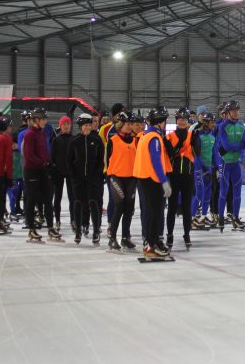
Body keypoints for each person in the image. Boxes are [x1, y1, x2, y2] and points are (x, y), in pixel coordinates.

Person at [132, 106, 172, 259]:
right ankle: (151, 246)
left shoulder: (146, 135)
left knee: (151, 213)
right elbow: (156, 161)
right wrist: (164, 182)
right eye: (165, 121)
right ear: (160, 122)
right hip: (151, 180)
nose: (166, 124)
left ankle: (152, 243)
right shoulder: (154, 138)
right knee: (154, 213)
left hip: (144, 178)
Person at [22, 108, 56, 243]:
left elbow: (44, 151)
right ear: (36, 120)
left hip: (42, 169)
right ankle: (31, 229)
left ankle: (51, 227)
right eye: (43, 119)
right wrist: (43, 162)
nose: (45, 122)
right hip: (31, 170)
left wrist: (49, 161)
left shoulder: (41, 133)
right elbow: (29, 155)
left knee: (48, 199)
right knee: (32, 199)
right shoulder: (29, 134)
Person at [106, 112, 138, 252]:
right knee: (119, 206)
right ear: (120, 125)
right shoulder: (113, 140)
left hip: (131, 178)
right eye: (127, 124)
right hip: (116, 177)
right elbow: (107, 160)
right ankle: (112, 238)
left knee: (129, 209)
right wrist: (109, 175)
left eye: (131, 124)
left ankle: (125, 237)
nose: (130, 126)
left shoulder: (135, 141)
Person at [69, 114, 103, 245]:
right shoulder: (74, 141)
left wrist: (97, 175)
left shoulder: (97, 140)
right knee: (78, 203)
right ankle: (78, 231)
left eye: (89, 125)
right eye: (85, 125)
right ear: (80, 127)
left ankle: (96, 230)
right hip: (78, 179)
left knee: (93, 203)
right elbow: (69, 160)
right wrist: (73, 176)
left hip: (92, 178)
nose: (88, 127)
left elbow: (101, 160)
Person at [165, 108, 196, 249]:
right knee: (172, 207)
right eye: (180, 119)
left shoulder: (192, 136)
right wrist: (181, 143)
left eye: (184, 119)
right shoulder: (169, 136)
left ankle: (187, 234)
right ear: (176, 120)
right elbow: (170, 154)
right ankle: (170, 235)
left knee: (187, 207)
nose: (182, 121)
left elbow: (197, 153)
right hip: (174, 176)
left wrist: (194, 140)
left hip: (188, 176)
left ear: (188, 121)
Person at [216, 100, 245, 229]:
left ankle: (236, 217)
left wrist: (234, 147)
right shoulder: (222, 126)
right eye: (233, 110)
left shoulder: (241, 126)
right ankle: (220, 217)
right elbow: (226, 146)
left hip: (236, 163)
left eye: (237, 110)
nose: (236, 112)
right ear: (228, 112)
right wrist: (238, 146)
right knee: (224, 190)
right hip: (225, 162)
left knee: (237, 192)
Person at [192, 111, 218, 229]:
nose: (214, 125)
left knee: (208, 192)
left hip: (209, 168)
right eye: (212, 122)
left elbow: (214, 154)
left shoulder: (212, 136)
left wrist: (216, 168)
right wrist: (204, 169)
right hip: (199, 168)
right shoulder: (197, 135)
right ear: (206, 123)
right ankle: (191, 218)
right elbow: (196, 155)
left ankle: (203, 216)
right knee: (199, 193)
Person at [51, 116, 74, 233]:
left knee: (72, 197)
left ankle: (73, 220)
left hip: (70, 172)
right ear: (60, 126)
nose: (66, 126)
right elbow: (52, 156)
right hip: (58, 172)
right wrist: (53, 169)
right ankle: (57, 220)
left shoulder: (74, 139)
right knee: (58, 197)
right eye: (64, 124)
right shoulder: (56, 140)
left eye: (67, 124)